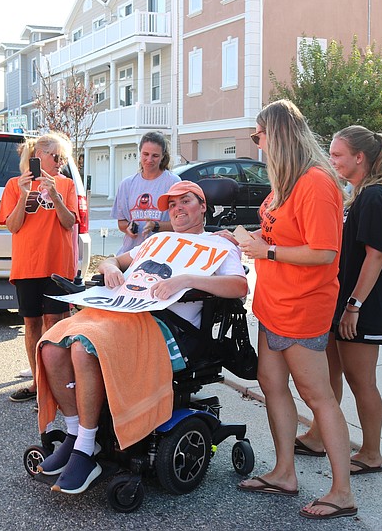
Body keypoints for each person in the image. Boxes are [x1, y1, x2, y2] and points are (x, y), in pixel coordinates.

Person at [34, 181, 248, 495]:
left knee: (82, 347)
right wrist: (108, 268)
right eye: (172, 205)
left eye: (185, 201)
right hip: (120, 313)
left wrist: (185, 279)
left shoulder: (219, 245)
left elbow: (239, 287)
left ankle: (86, 447)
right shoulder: (157, 240)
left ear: (203, 206)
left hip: (167, 328)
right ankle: (75, 433)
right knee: (52, 346)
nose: (177, 209)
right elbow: (113, 261)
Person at [236, 100, 357, 520]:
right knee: (271, 384)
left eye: (259, 135)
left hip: (302, 306)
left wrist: (265, 251)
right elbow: (279, 233)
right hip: (273, 304)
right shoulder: (286, 184)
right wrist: (250, 239)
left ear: (280, 134)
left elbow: (325, 253)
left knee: (318, 397)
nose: (258, 143)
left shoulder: (316, 183)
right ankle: (285, 472)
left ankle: (342, 491)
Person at [293, 125, 382, 476]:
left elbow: (377, 256)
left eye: (337, 154)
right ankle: (317, 434)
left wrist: (353, 306)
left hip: (364, 307)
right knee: (331, 372)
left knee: (362, 381)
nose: (332, 160)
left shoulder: (375, 197)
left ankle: (372, 453)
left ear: (360, 158)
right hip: (343, 301)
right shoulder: (357, 194)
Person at [0, 132, 80, 403]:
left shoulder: (66, 185)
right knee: (31, 324)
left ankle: (57, 384)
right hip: (27, 264)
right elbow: (13, 225)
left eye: (63, 158)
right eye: (55, 157)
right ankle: (37, 383)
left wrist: (55, 195)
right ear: (37, 157)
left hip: (58, 265)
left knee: (55, 324)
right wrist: (24, 195)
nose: (60, 162)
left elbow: (69, 222)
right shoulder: (14, 185)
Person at [111, 131, 180, 255]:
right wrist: (129, 227)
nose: (149, 160)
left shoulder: (173, 182)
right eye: (145, 154)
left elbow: (180, 223)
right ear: (140, 153)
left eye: (155, 156)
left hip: (162, 253)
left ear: (163, 156)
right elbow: (121, 222)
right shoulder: (127, 184)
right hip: (130, 254)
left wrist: (156, 226)